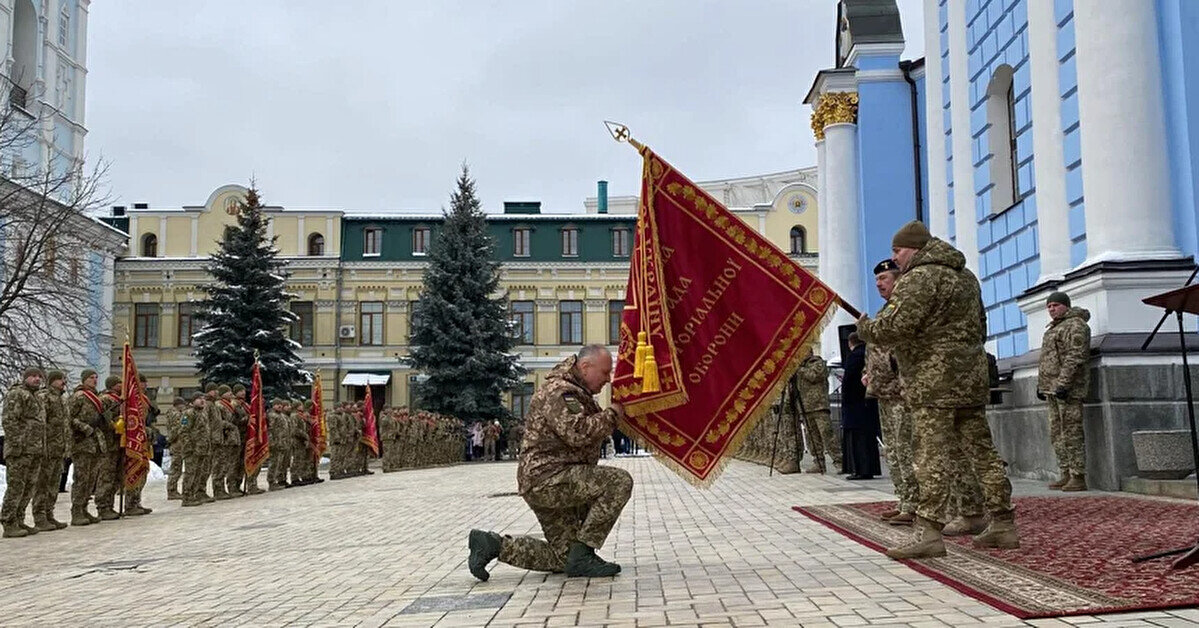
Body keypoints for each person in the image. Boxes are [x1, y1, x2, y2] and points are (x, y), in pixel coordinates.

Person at [857, 220, 1018, 559]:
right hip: (969, 377)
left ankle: (929, 531)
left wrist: (866, 327)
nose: (895, 258)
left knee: (930, 454)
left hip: (933, 382)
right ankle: (1002, 522)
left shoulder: (920, 278)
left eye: (897, 251)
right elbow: (981, 326)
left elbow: (895, 327)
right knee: (981, 452)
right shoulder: (966, 277)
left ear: (914, 248)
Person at [468, 344, 631, 580]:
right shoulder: (561, 392)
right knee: (618, 482)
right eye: (605, 372)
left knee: (566, 558)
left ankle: (492, 545)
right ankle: (584, 554)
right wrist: (613, 414)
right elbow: (578, 432)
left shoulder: (575, 391)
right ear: (585, 367)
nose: (608, 379)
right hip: (549, 479)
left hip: (547, 480)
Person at [866, 260, 918, 524]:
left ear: (898, 280)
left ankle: (915, 504)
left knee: (905, 449)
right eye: (876, 280)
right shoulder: (884, 311)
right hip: (883, 391)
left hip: (901, 393)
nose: (878, 284)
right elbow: (876, 348)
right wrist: (869, 372)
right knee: (893, 451)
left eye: (884, 278)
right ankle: (904, 499)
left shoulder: (904, 310)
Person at [1038, 291, 1092, 491]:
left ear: (1066, 306)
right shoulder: (1053, 328)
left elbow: (1075, 357)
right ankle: (1066, 471)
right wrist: (1042, 385)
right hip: (1052, 389)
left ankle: (1078, 475)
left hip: (1068, 390)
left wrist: (1063, 384)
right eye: (1049, 306)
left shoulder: (1076, 326)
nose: (1052, 309)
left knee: (1072, 432)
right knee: (1057, 433)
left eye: (1056, 305)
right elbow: (1048, 359)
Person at [1, 367, 46, 538]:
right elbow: (10, 421)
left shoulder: (36, 396)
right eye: (33, 376)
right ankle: (9, 521)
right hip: (20, 450)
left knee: (28, 487)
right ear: (25, 378)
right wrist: (18, 444)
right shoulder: (17, 394)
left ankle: (19, 518)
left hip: (34, 449)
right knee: (16, 487)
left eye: (39, 376)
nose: (36, 379)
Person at [841, 333, 881, 480]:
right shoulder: (869, 353)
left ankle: (861, 470)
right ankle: (868, 469)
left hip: (855, 405)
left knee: (858, 440)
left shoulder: (854, 356)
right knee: (867, 438)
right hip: (867, 403)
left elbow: (849, 381)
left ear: (850, 343)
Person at [68, 369, 106, 524]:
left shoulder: (96, 397)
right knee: (82, 478)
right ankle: (76, 511)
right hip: (82, 443)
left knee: (91, 480)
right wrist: (84, 428)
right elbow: (69, 418)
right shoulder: (78, 397)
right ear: (84, 379)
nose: (94, 380)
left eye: (96, 377)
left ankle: (84, 509)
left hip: (95, 442)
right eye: (91, 378)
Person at [796, 348, 842, 474]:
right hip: (806, 408)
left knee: (827, 434)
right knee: (812, 437)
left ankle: (839, 461)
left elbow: (813, 376)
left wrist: (799, 369)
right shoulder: (801, 368)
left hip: (819, 406)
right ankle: (818, 462)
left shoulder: (817, 363)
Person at [34, 370, 70, 531]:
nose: (64, 382)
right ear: (52, 381)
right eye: (60, 379)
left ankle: (49, 514)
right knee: (43, 484)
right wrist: (43, 446)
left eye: (64, 379)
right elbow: (41, 424)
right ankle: (39, 516)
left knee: (54, 484)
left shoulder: (62, 399)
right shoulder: (45, 397)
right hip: (47, 448)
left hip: (59, 449)